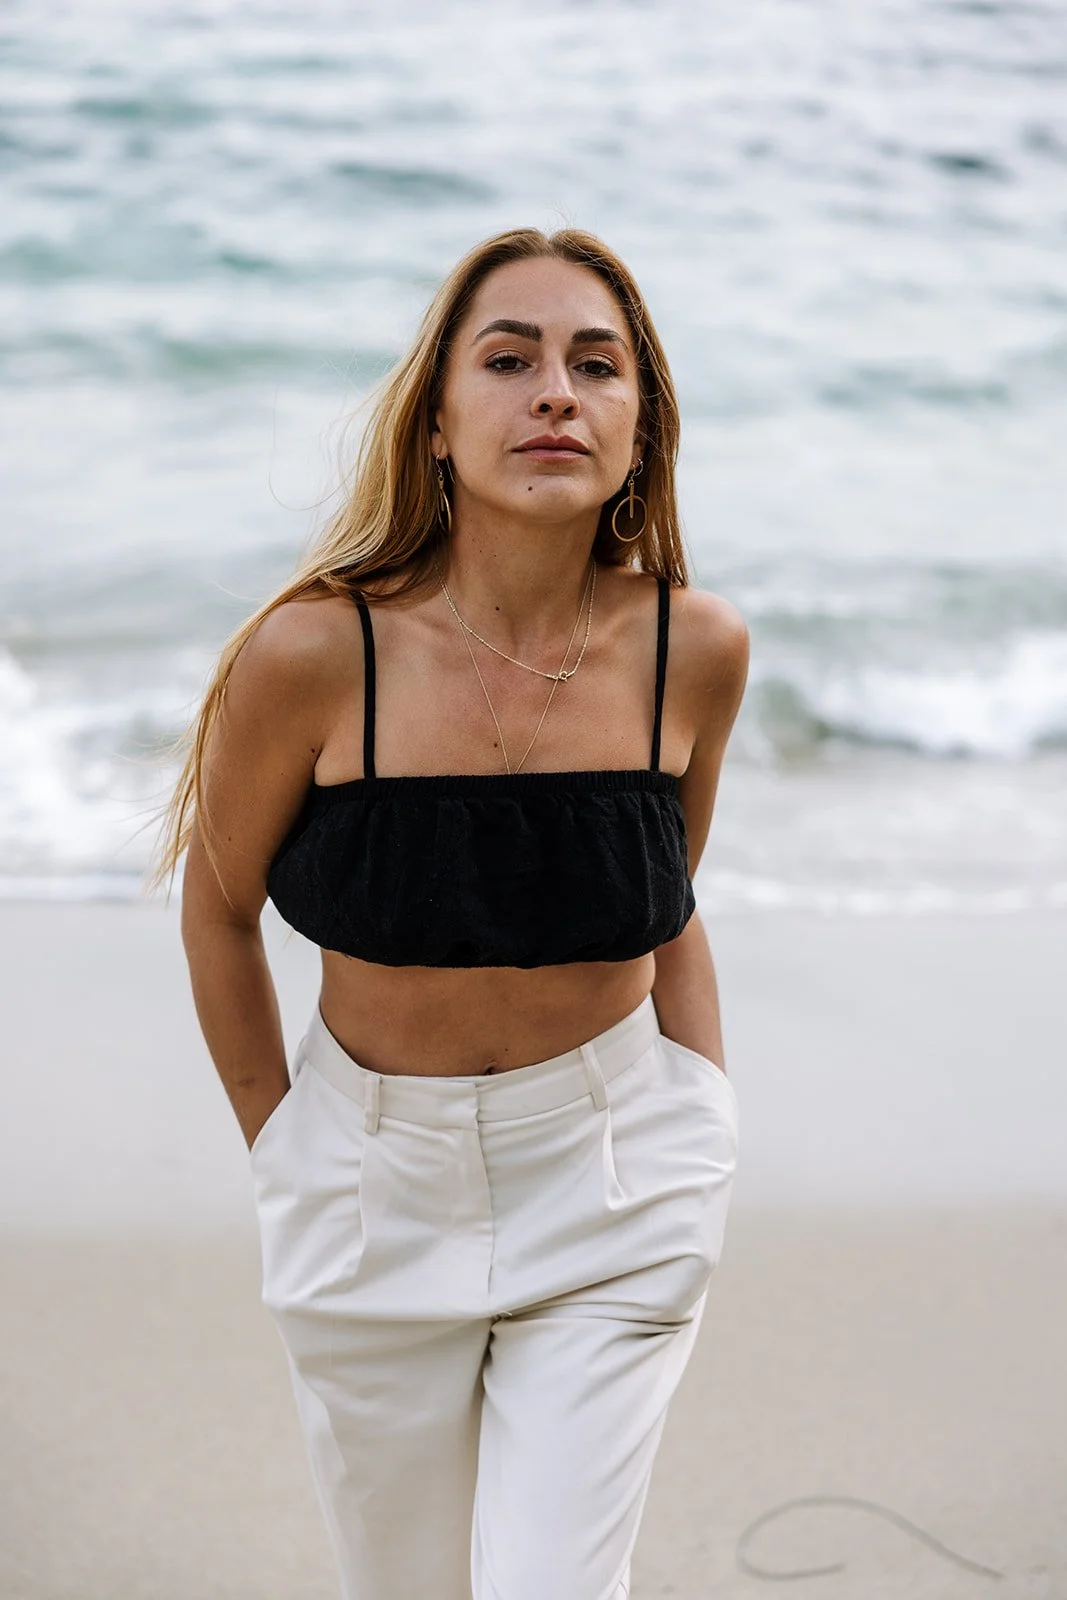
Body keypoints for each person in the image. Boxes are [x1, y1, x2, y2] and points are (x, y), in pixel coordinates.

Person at [155, 226, 749, 1600]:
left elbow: (667, 901)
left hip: (614, 1184)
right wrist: (288, 1149)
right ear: (435, 421)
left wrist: (702, 1117)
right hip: (368, 1187)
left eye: (595, 365)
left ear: (637, 423)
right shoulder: (314, 651)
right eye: (510, 358)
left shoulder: (691, 647)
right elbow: (217, 911)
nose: (555, 392)